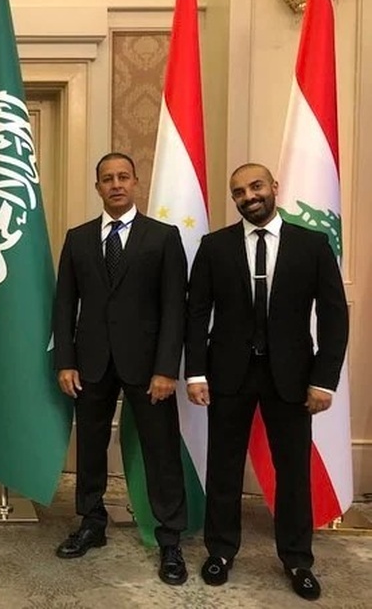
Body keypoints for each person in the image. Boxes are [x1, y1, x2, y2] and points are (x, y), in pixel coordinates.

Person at [185, 163, 348, 601]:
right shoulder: (214, 246)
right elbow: (197, 313)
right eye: (239, 191)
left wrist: (324, 381)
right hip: (228, 376)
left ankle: (297, 559)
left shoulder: (312, 246)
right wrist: (196, 372)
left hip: (292, 379)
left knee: (293, 472)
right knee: (223, 467)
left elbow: (335, 316)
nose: (248, 196)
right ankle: (220, 551)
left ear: (274, 187)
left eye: (256, 186)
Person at [52, 152, 189, 585]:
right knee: (90, 447)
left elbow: (175, 310)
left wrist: (167, 368)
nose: (116, 184)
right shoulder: (77, 239)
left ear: (136, 184)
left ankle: (170, 538)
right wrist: (66, 361)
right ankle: (92, 522)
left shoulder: (163, 237)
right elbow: (63, 305)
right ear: (98, 188)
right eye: (107, 179)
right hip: (90, 362)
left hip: (149, 367)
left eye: (123, 177)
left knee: (160, 450)